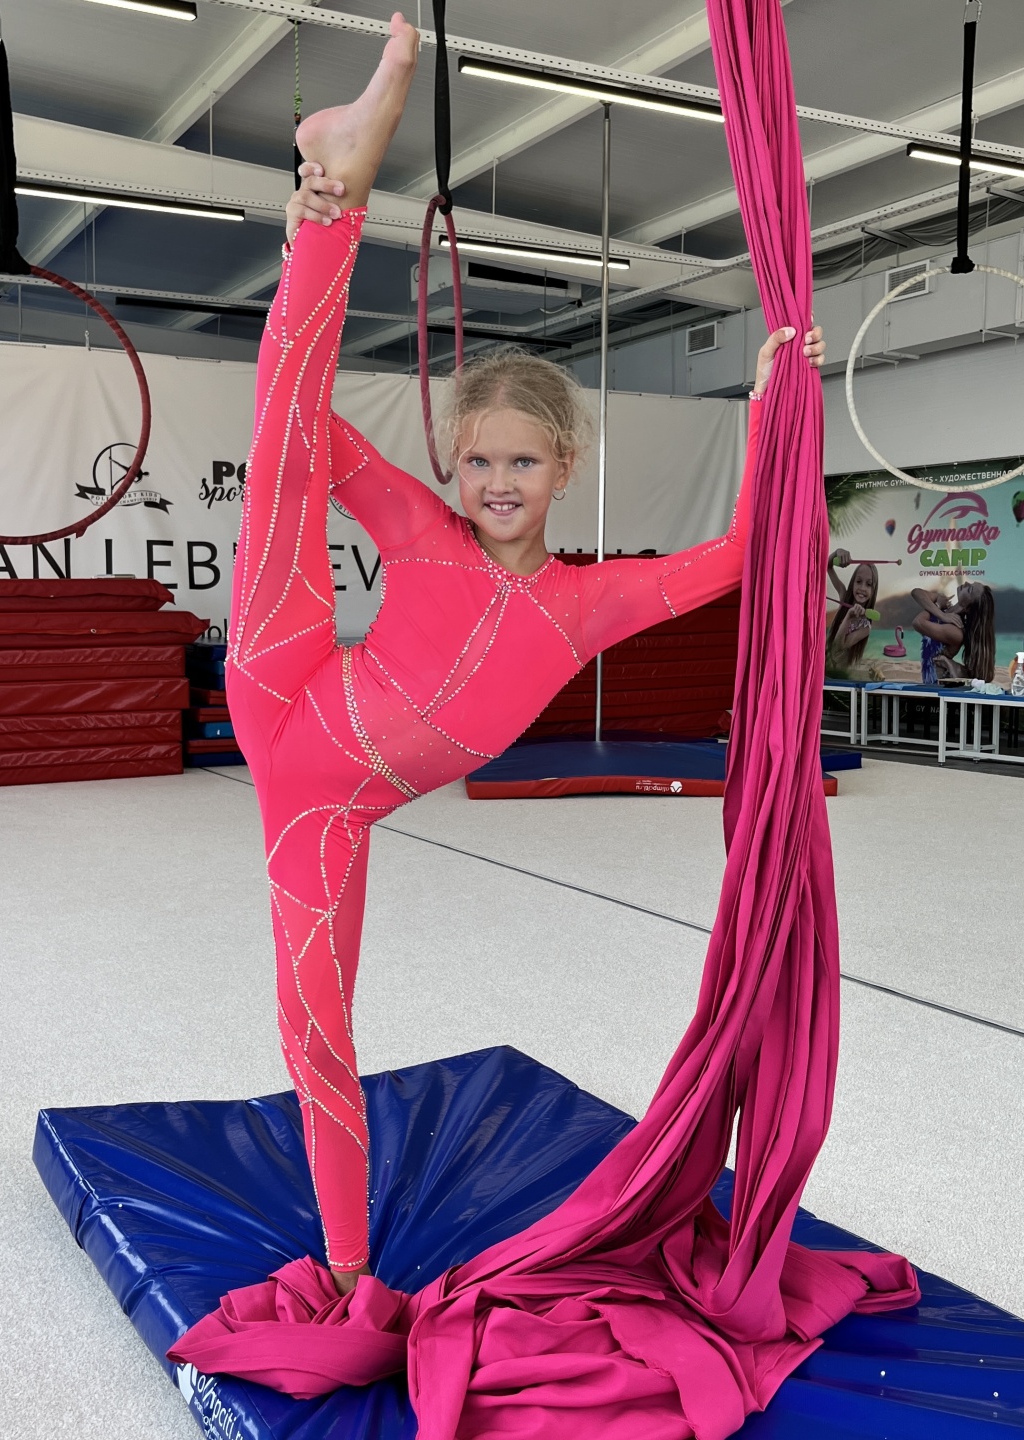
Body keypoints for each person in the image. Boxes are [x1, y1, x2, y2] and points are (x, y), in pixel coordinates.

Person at [226, 12, 825, 1295]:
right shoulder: (419, 522)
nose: (497, 479)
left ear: (566, 467)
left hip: (326, 803)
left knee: (318, 1030)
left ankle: (345, 1261)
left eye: (523, 460)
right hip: (288, 683)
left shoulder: (585, 605)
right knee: (282, 434)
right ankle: (335, 185)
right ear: (460, 460)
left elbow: (730, 563)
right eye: (481, 456)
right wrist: (301, 267)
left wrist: (776, 409)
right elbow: (301, 424)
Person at [911, 580, 995, 683]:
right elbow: (916, 592)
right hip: (929, 681)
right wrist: (942, 614)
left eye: (969, 589)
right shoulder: (945, 610)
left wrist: (938, 606)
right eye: (971, 584)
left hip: (937, 686)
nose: (967, 583)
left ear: (968, 607)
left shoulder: (956, 630)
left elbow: (918, 623)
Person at [826, 551, 878, 673]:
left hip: (837, 675)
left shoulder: (865, 627)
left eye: (869, 584)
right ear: (853, 583)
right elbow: (827, 566)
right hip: (823, 668)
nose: (862, 588)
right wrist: (836, 553)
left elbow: (837, 647)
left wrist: (849, 617)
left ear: (873, 589)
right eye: (858, 581)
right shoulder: (844, 596)